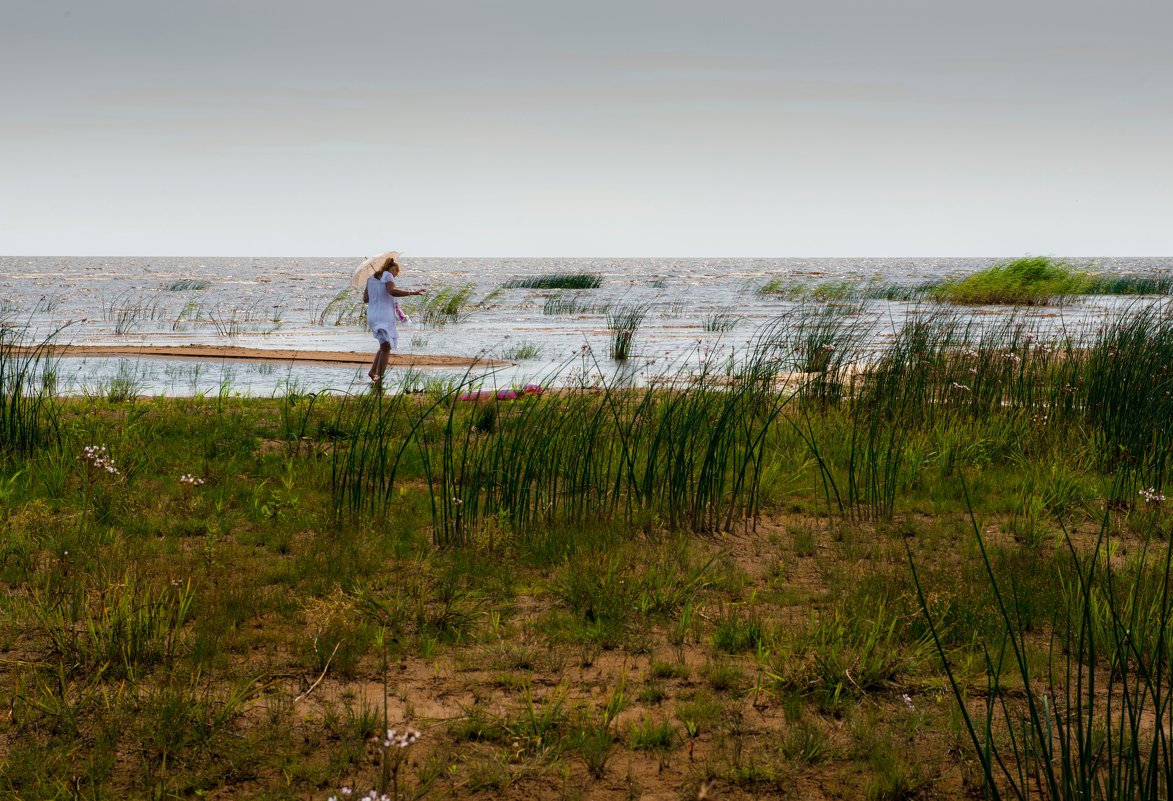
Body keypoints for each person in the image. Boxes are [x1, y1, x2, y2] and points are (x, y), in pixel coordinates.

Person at [363, 254, 426, 383]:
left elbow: (366, 299)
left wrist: (378, 291)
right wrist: (412, 292)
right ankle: (379, 378)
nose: (395, 276)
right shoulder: (388, 275)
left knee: (384, 345)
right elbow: (392, 291)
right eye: (396, 273)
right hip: (384, 316)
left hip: (373, 315)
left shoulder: (370, 279)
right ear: (392, 269)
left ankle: (373, 371)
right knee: (386, 348)